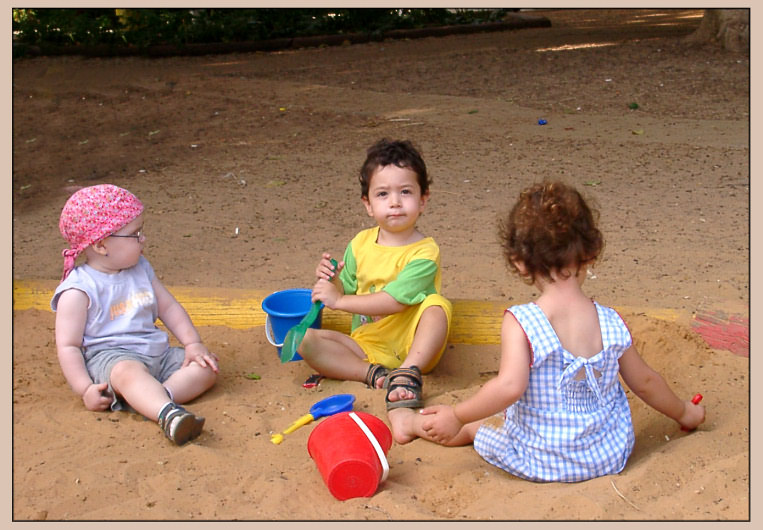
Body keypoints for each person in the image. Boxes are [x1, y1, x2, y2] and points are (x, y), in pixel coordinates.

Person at [389, 181, 705, 482]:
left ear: (520, 263)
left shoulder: (522, 322)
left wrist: (458, 415)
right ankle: (422, 422)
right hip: (606, 456)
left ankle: (412, 423)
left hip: (538, 458)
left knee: (477, 425)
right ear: (591, 253)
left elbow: (509, 387)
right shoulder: (610, 322)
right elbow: (647, 382)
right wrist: (684, 413)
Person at [51, 184, 219, 446]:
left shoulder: (141, 268)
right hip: (112, 360)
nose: (143, 240)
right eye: (135, 234)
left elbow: (169, 307)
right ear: (101, 245)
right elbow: (68, 346)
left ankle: (153, 398)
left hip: (157, 354)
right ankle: (167, 414)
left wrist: (192, 343)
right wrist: (84, 389)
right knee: (127, 373)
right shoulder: (78, 289)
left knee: (206, 368)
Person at [299, 138, 452, 410]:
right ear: (368, 204)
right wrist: (330, 279)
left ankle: (407, 373)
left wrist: (339, 302)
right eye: (382, 194)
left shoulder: (425, 252)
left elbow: (395, 301)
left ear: (423, 199)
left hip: (412, 344)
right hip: (367, 345)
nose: (394, 202)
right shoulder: (360, 244)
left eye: (405, 192)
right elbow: (344, 288)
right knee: (303, 339)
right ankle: (373, 375)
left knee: (437, 307)